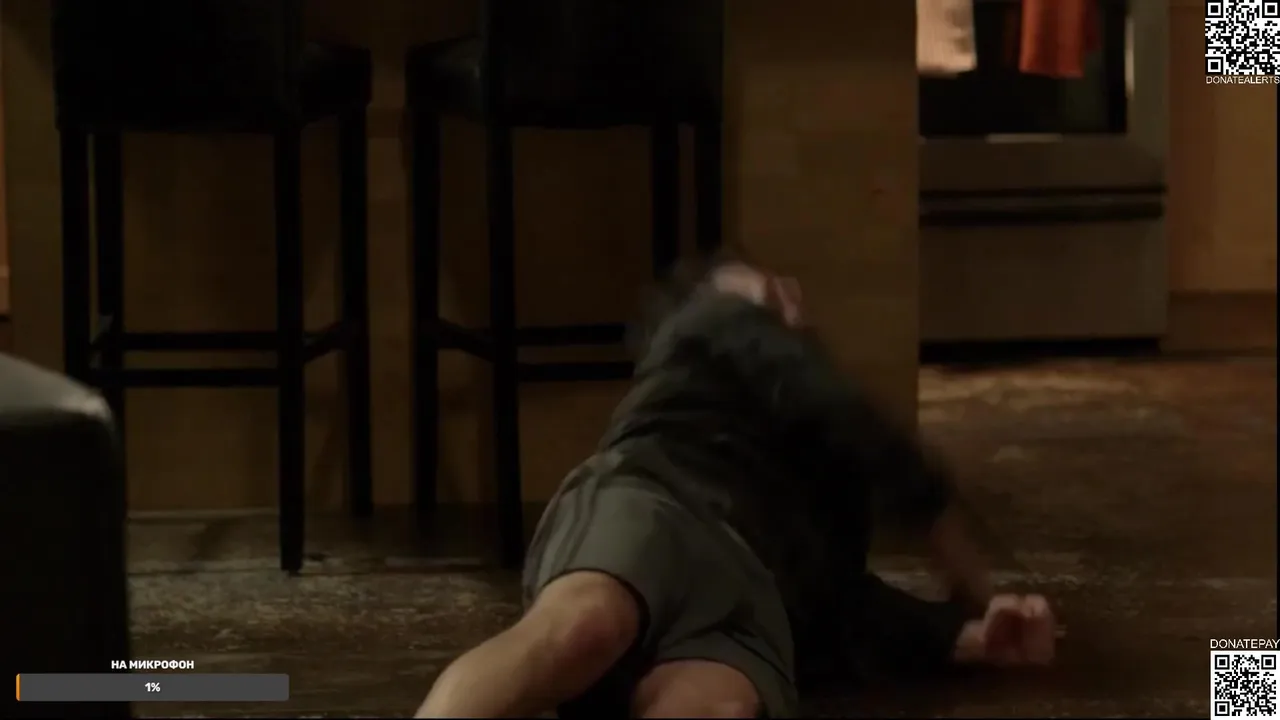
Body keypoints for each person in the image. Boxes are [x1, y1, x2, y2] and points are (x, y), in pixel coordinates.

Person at [415, 258, 1056, 719]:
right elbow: (859, 422)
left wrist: (967, 636)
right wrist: (967, 567)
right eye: (766, 289)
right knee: (585, 625)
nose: (789, 296)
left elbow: (843, 606)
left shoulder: (825, 470)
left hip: (750, 604)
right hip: (659, 504)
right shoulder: (711, 331)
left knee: (713, 704)